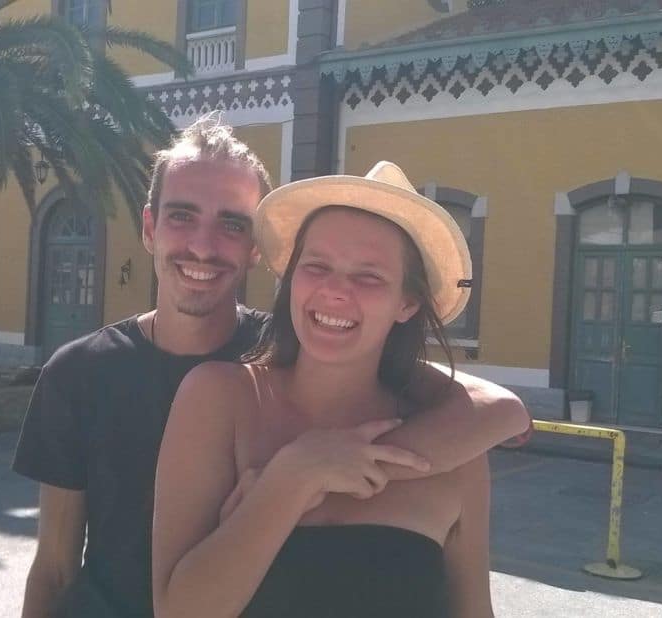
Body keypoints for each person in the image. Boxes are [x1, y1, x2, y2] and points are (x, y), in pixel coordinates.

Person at [14, 116, 528, 617]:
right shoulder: (89, 374)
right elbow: (55, 569)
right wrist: (302, 473)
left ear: (256, 248)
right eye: (182, 216)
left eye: (232, 224)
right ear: (150, 227)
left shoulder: (298, 345)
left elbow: (489, 405)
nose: (203, 246)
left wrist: (339, 468)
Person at [153, 161, 506, 618]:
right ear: (291, 280)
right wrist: (293, 476)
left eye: (369, 276)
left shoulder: (455, 447)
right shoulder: (219, 398)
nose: (336, 291)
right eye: (317, 266)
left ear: (407, 302)